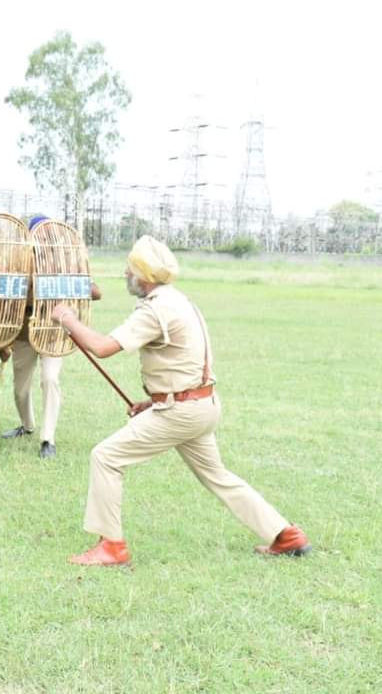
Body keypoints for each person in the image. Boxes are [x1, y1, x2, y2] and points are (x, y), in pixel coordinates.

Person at [52, 235, 311, 566]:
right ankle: (285, 534)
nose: (124, 275)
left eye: (129, 270)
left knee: (105, 457)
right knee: (217, 475)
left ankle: (111, 547)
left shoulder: (155, 308)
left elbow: (103, 348)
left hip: (182, 412)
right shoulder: (179, 300)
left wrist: (67, 319)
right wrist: (154, 402)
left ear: (142, 276)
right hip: (201, 406)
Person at [2, 215, 103, 458]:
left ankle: (48, 439)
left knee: (50, 379)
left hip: (53, 331)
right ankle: (27, 425)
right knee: (20, 389)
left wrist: (72, 285)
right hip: (26, 330)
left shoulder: (67, 262)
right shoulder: (20, 262)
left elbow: (96, 292)